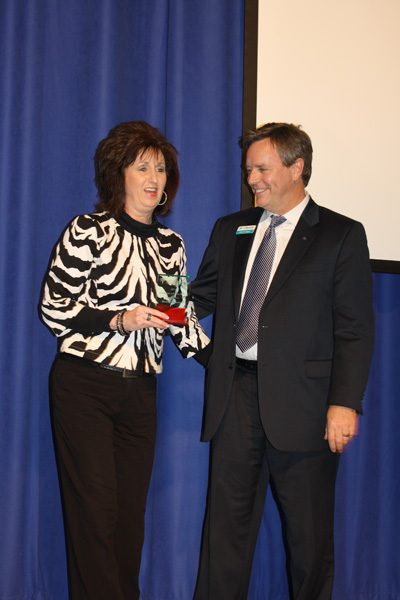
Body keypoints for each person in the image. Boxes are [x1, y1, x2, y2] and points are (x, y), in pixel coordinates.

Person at [191, 122, 374, 600]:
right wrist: (151, 296)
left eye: (263, 168)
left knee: (309, 542)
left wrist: (344, 403)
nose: (253, 179)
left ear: (298, 168)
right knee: (223, 538)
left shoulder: (340, 235)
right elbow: (198, 297)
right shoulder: (231, 227)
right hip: (235, 400)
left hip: (307, 407)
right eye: (249, 169)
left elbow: (354, 329)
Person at [40, 121, 210, 600]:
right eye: (143, 167)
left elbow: (183, 323)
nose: (155, 177)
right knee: (95, 513)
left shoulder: (171, 246)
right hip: (84, 386)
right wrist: (120, 319)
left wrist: (230, 364)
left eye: (161, 168)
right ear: (120, 174)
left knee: (129, 518)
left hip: (140, 394)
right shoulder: (87, 231)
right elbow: (55, 309)